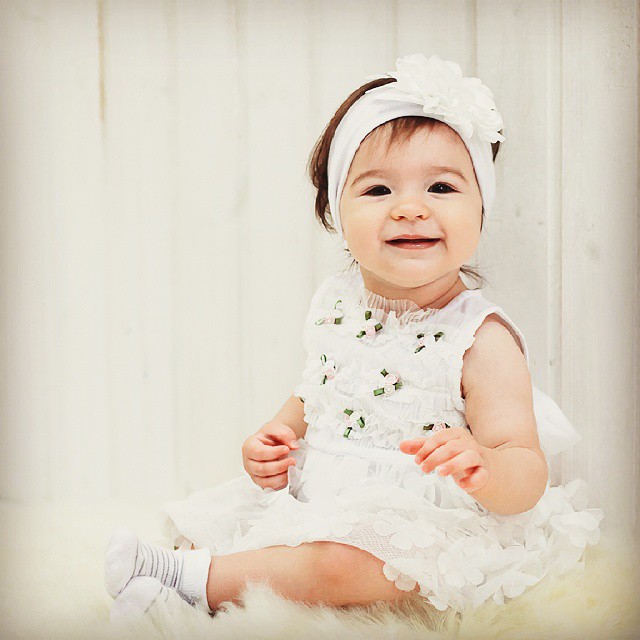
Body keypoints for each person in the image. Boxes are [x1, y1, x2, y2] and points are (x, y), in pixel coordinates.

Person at [104, 53, 604, 623]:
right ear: (335, 213)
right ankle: (177, 591)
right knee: (239, 527)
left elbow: (526, 467)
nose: (410, 208)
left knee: (343, 564)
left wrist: (485, 466)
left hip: (420, 523)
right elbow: (320, 391)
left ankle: (184, 580)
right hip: (322, 495)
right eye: (378, 190)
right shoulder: (335, 303)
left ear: (481, 208)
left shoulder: (480, 339)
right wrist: (273, 437)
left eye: (441, 187)